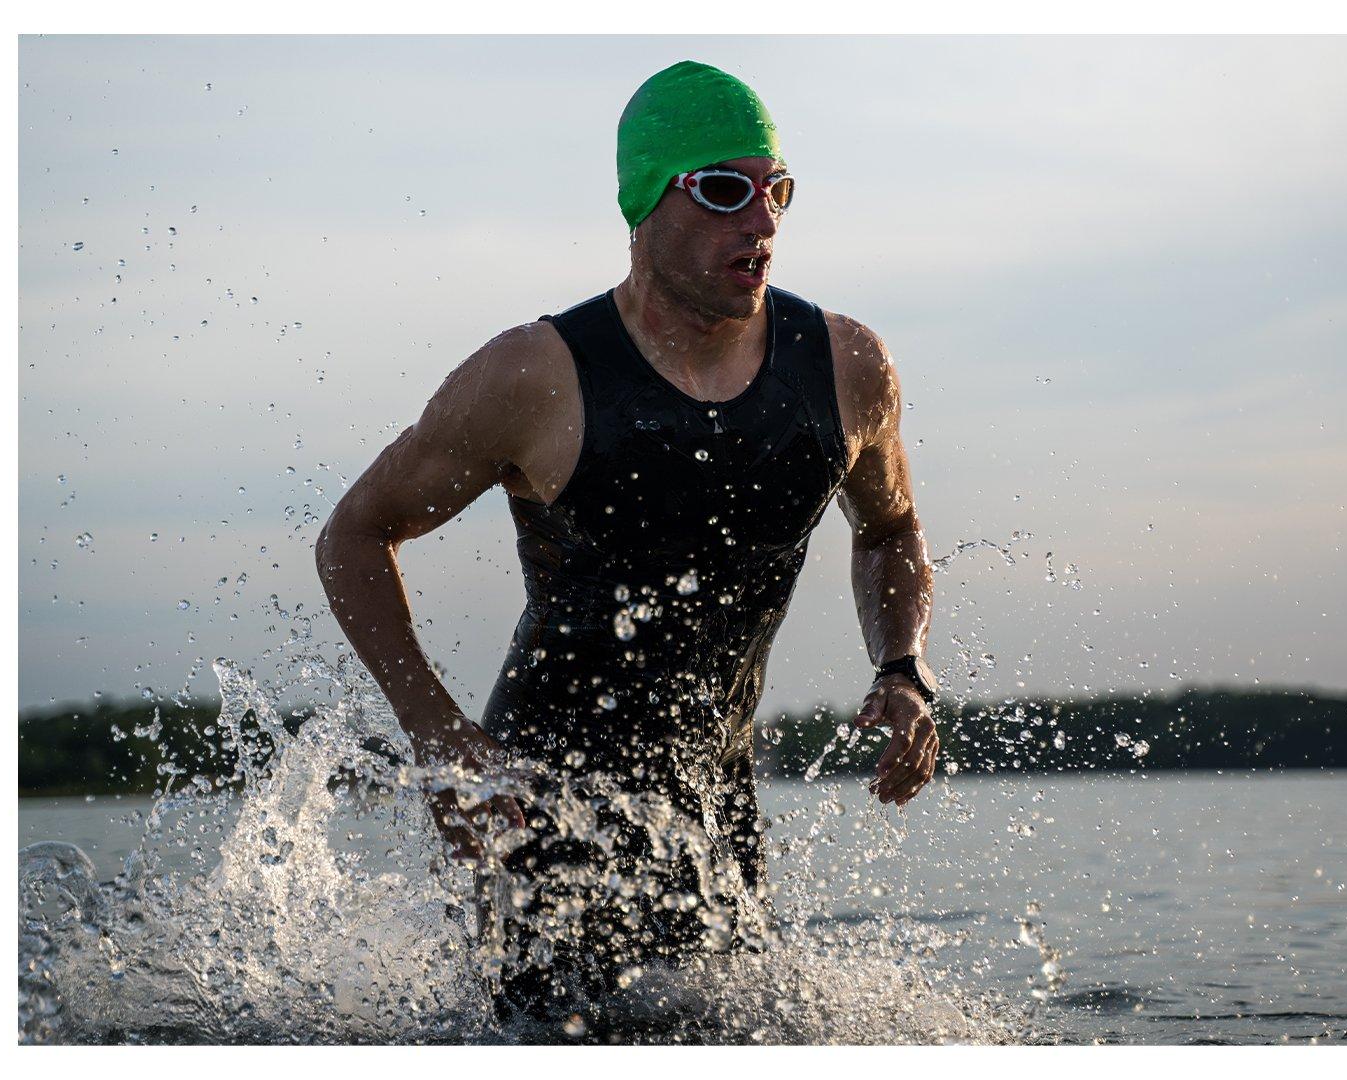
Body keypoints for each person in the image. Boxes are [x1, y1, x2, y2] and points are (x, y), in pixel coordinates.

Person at [315, 60, 940, 1018]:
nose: (761, 221)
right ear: (645, 201)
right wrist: (440, 736)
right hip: (538, 813)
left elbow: (890, 528)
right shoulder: (537, 374)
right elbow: (355, 535)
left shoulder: (846, 368)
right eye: (725, 191)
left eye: (777, 191)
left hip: (718, 812)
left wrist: (902, 670)